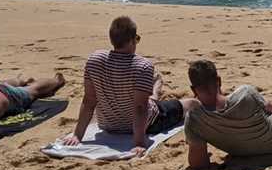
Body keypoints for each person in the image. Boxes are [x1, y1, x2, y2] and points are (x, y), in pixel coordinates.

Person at [61, 16, 198, 156]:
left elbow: (89, 100)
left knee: (146, 95)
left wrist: (78, 135)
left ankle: (155, 89)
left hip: (107, 124)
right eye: (137, 39)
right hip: (148, 122)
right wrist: (138, 142)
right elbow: (140, 108)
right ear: (133, 40)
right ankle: (155, 88)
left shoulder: (94, 60)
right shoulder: (142, 66)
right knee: (191, 103)